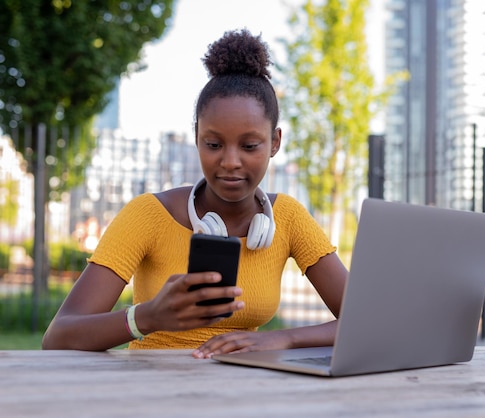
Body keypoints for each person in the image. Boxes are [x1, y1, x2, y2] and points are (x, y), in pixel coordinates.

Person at [42, 29, 348, 358]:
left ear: (275, 142)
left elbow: (365, 320)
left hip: (241, 393)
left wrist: (282, 339)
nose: (230, 162)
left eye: (249, 145)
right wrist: (146, 317)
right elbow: (59, 336)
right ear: (197, 137)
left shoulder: (289, 218)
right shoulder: (147, 214)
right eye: (213, 144)